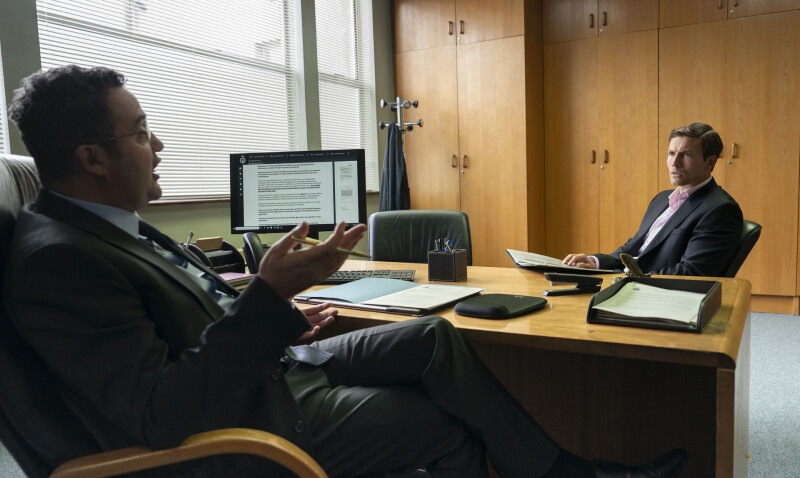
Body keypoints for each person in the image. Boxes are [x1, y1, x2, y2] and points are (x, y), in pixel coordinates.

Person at [3, 65, 687, 478]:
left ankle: (561, 470)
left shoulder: (105, 225)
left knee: (432, 335)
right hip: (248, 424)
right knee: (441, 421)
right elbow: (157, 412)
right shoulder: (59, 260)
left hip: (272, 368)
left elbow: (180, 320)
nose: (158, 144)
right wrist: (267, 300)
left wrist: (275, 310)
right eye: (140, 131)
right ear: (92, 158)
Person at [563, 123, 743, 276]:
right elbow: (634, 247)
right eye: (671, 153)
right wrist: (595, 263)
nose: (675, 162)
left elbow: (691, 273)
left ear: (710, 162)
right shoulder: (661, 199)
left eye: (686, 155)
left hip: (656, 294)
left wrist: (620, 277)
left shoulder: (720, 210)